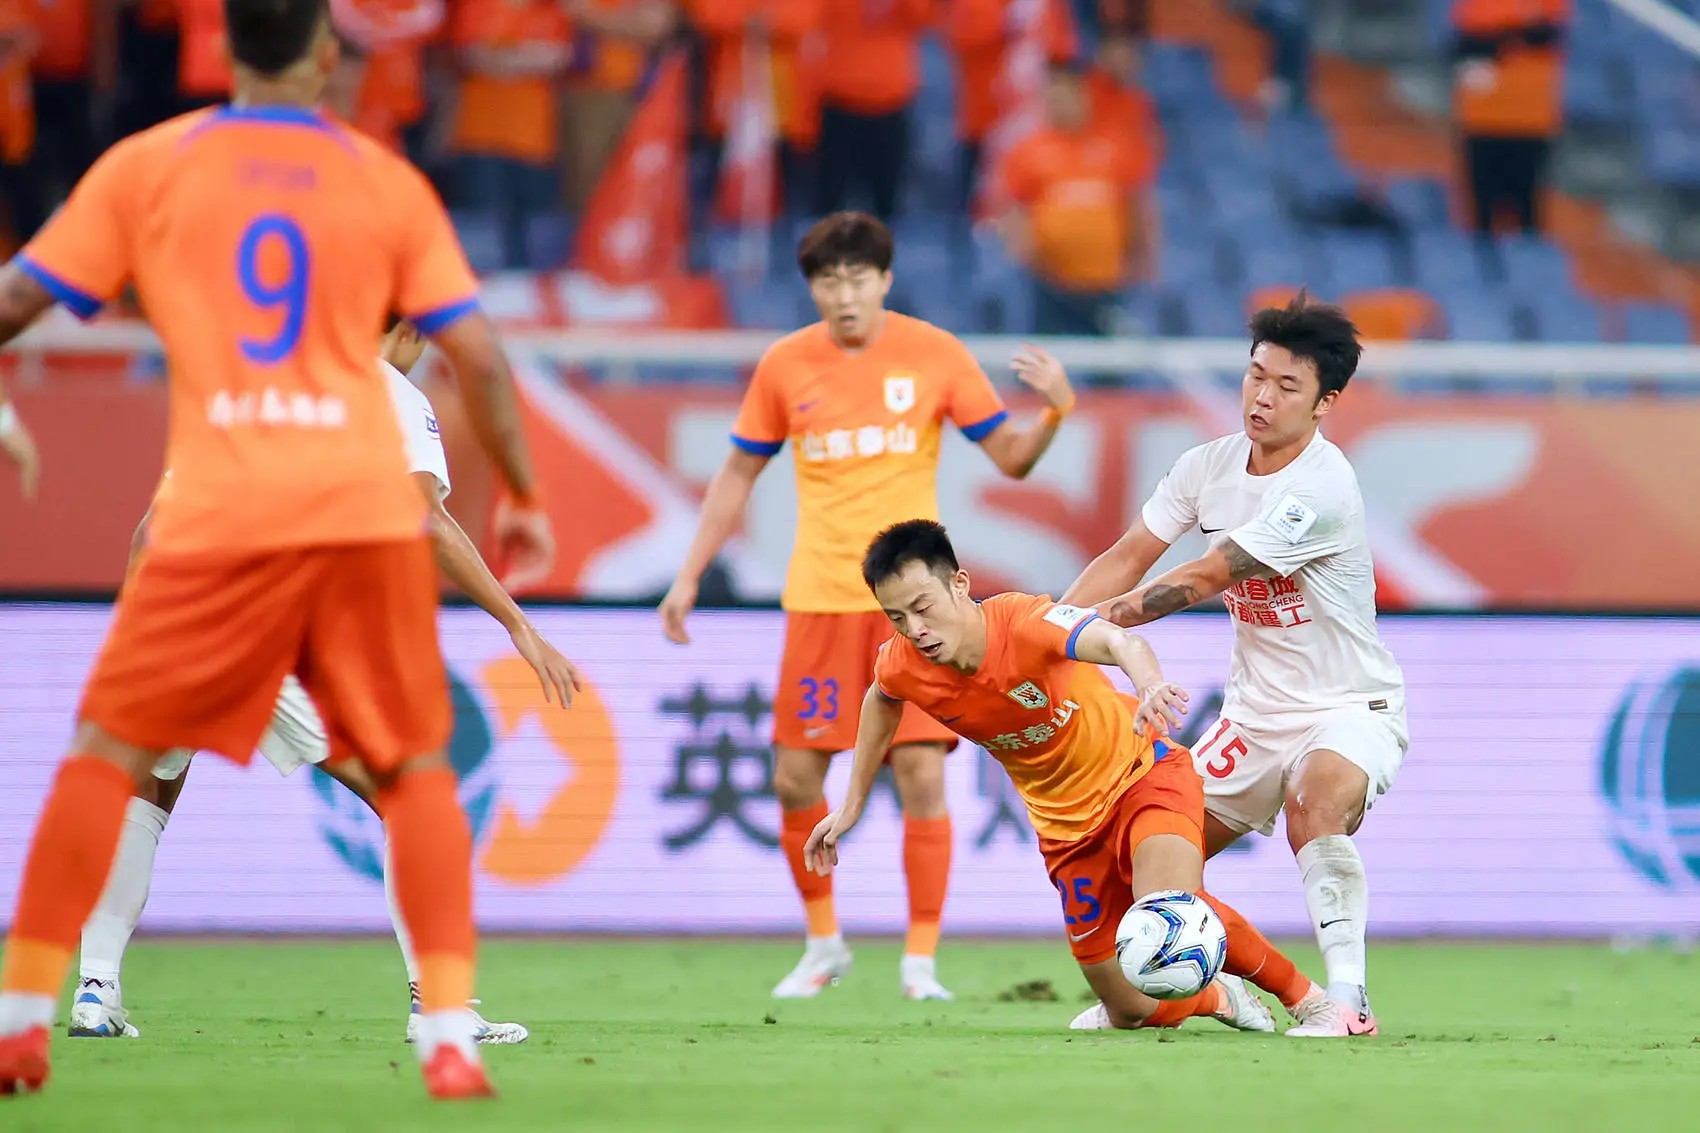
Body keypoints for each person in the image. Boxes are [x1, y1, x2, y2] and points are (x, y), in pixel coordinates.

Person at [0, 0, 548, 1100]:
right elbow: (482, 358)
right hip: (339, 532)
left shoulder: (146, 165)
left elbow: (18, 300)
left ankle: (25, 1018)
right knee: (414, 776)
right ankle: (446, 1030)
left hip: (203, 520)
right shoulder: (382, 183)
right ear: (329, 53)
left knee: (110, 759)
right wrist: (525, 495)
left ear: (221, 48)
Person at [69, 317, 580, 1046]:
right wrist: (517, 624)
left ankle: (96, 990)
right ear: (407, 326)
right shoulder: (386, 391)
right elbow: (424, 518)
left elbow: (152, 529)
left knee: (150, 786)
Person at [659, 210, 1075, 1001]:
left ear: (885, 279)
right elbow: (738, 472)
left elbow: (1012, 458)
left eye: (857, 278)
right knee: (794, 778)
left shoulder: (936, 354)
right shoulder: (785, 364)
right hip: (820, 599)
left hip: (915, 609)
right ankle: (824, 944)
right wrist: (689, 573)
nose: (843, 295)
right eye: (827, 280)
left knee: (919, 771)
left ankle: (920, 960)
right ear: (812, 287)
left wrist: (1053, 410)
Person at [805, 518, 1323, 1032]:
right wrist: (852, 803)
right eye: (896, 617)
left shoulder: (1024, 622)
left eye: (923, 607)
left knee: (1173, 910)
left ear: (959, 584)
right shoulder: (903, 662)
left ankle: (1307, 998)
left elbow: (1118, 641)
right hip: (1066, 831)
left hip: (1141, 776)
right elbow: (881, 698)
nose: (915, 629)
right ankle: (1217, 997)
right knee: (1129, 1009)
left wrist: (1148, 685)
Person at [1061, 292, 1408, 1038]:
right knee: (1139, 856)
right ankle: (1206, 991)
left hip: (1348, 707)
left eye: (1287, 385)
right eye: (1256, 375)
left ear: (1326, 402)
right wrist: (1052, 628)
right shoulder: (1206, 465)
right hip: (1251, 718)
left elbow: (1206, 576)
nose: (1263, 396)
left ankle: (1348, 999)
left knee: (1314, 804)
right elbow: (1128, 555)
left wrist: (1095, 627)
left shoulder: (1321, 486)